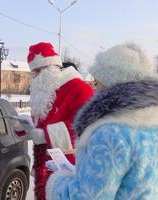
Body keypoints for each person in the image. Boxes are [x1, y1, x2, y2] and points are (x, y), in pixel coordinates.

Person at [46, 43, 158, 199]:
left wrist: (58, 181)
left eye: (97, 82)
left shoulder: (109, 134)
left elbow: (88, 196)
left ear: (110, 85)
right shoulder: (152, 125)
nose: (94, 89)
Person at [13, 42, 94, 200]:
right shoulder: (46, 91)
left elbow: (83, 126)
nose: (34, 76)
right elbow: (41, 123)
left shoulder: (79, 88)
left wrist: (45, 135)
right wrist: (23, 127)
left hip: (69, 170)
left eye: (37, 71)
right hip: (44, 167)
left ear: (50, 67)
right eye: (33, 72)